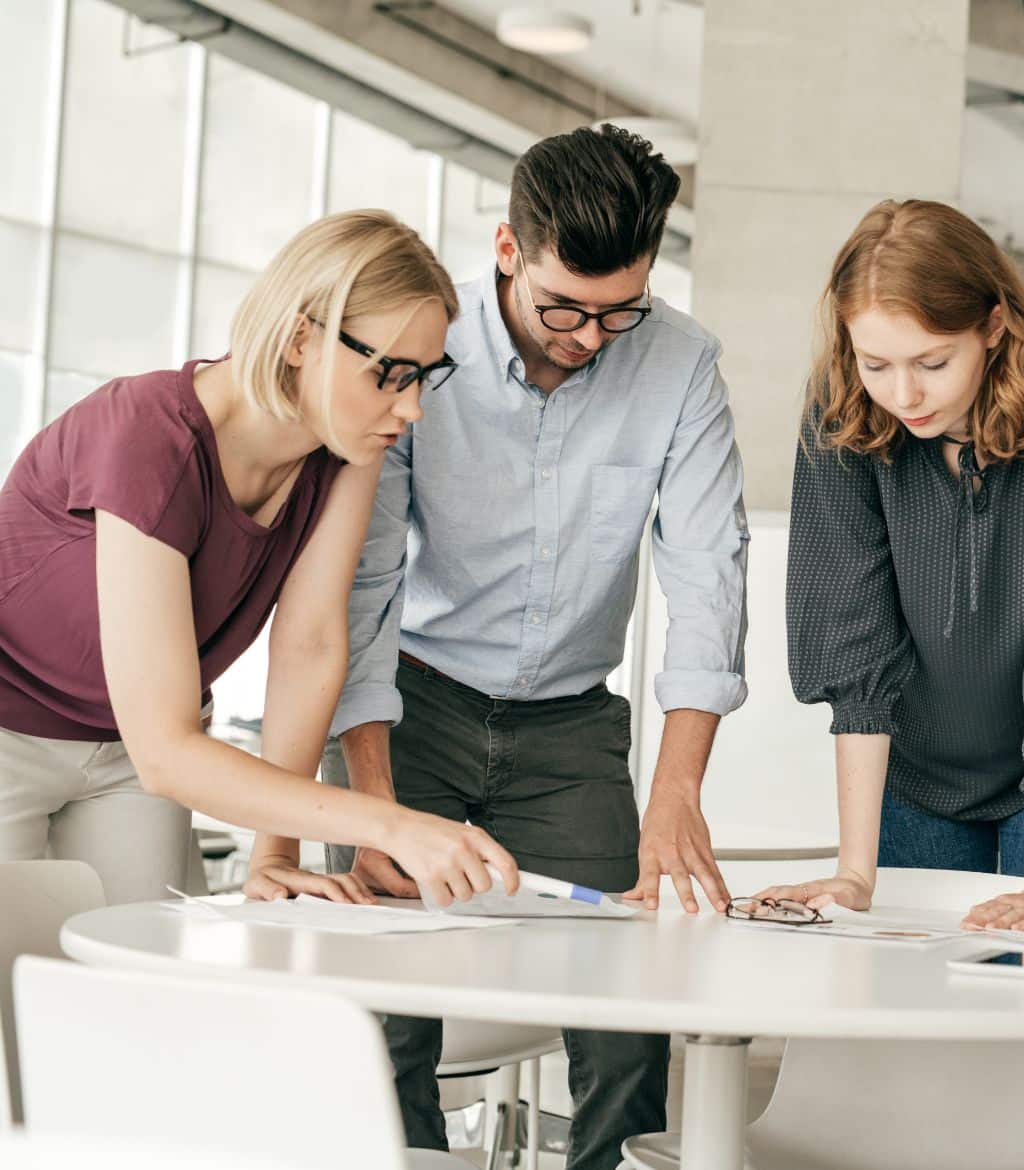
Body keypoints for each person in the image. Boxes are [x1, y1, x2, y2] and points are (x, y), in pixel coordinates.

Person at [247, 126, 749, 1170]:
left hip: (570, 727)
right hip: (411, 706)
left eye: (622, 311)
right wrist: (377, 806)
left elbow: (708, 575)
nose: (590, 337)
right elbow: (368, 581)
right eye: (565, 307)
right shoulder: (422, 346)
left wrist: (677, 791)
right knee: (387, 1005)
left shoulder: (682, 364)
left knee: (626, 1010)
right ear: (508, 250)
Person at [755, 198, 1024, 1170]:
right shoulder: (844, 408)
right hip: (922, 770)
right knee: (913, 1015)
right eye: (877, 362)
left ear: (994, 326)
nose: (903, 393)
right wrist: (856, 870)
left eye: (931, 363)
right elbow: (855, 652)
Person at [0, 209, 515, 909]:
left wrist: (275, 853)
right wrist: (393, 825)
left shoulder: (347, 447)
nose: (413, 407)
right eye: (391, 374)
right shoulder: (146, 434)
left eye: (427, 375)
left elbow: (310, 643)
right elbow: (167, 749)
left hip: (127, 753)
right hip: (15, 731)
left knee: (143, 986)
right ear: (302, 338)